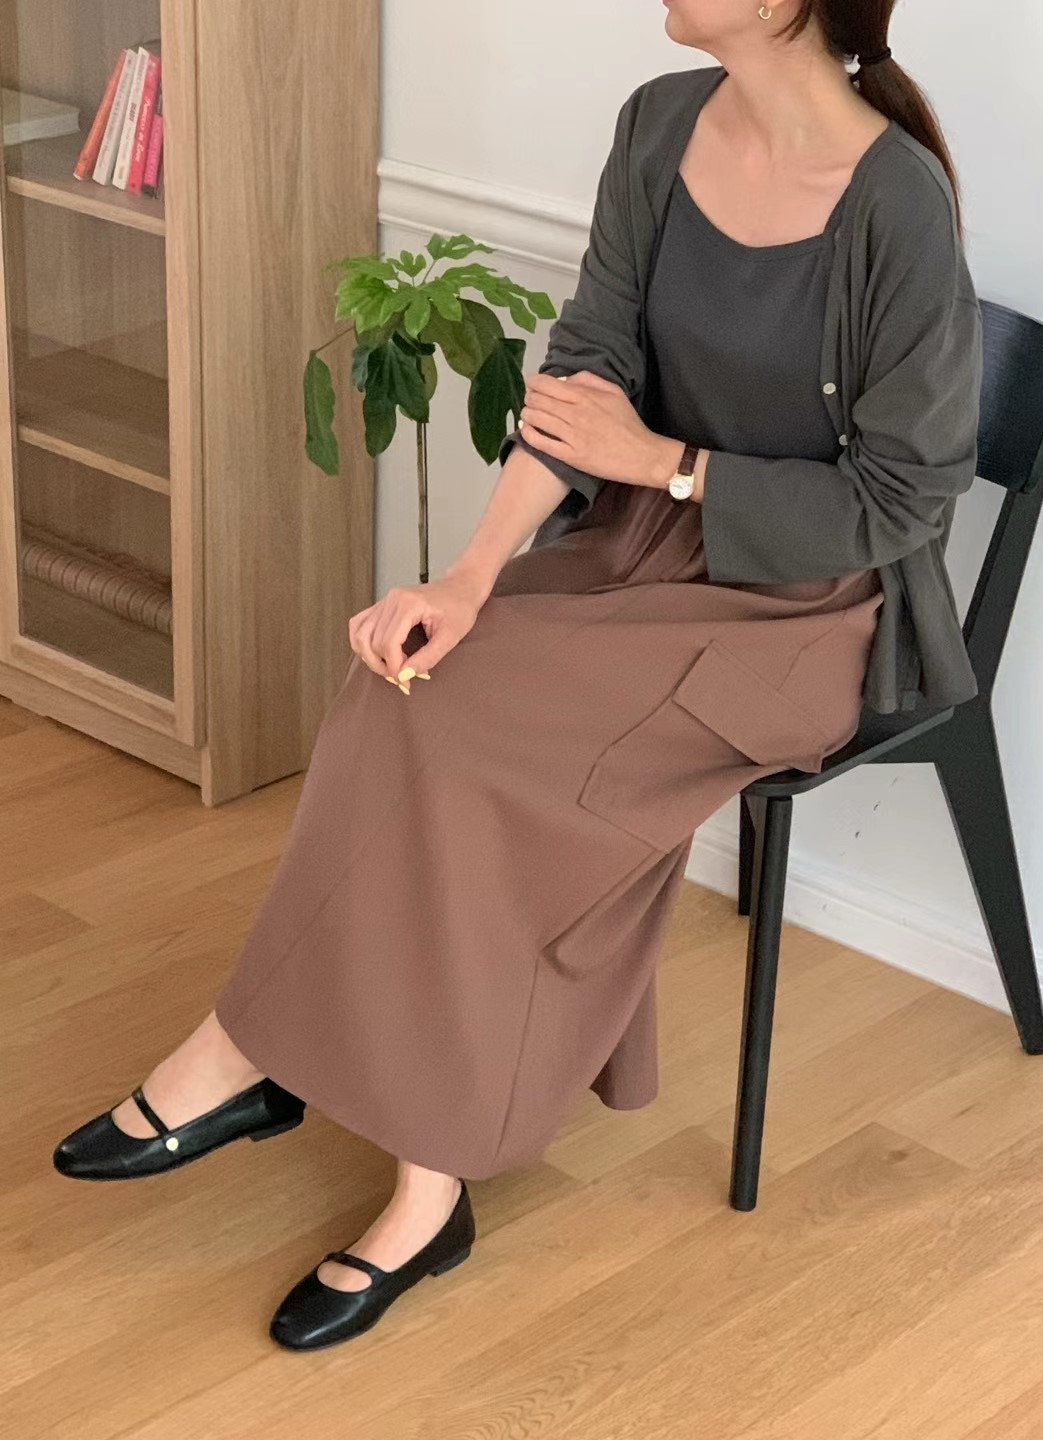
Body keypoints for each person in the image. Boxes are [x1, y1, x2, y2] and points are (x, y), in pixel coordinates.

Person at [52, 0, 982, 1353]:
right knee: (407, 682)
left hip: (803, 613)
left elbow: (900, 504)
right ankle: (261, 1063)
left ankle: (401, 1169)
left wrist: (666, 464)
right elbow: (582, 377)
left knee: (479, 743)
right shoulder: (661, 127)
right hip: (640, 554)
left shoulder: (899, 205)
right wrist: (467, 580)